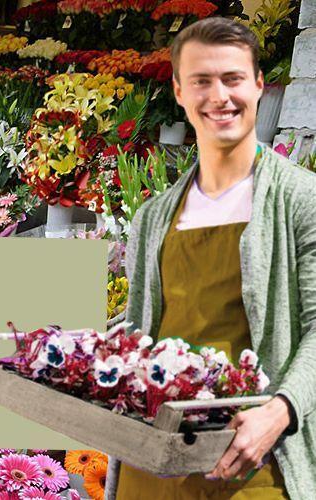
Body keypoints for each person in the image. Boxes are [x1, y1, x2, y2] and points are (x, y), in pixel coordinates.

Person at [118, 17, 316, 499]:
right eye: (202, 81)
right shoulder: (153, 216)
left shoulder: (299, 200)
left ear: (259, 85)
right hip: (153, 467)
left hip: (251, 464)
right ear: (179, 92)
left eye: (232, 78)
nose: (219, 97)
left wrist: (281, 410)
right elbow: (140, 331)